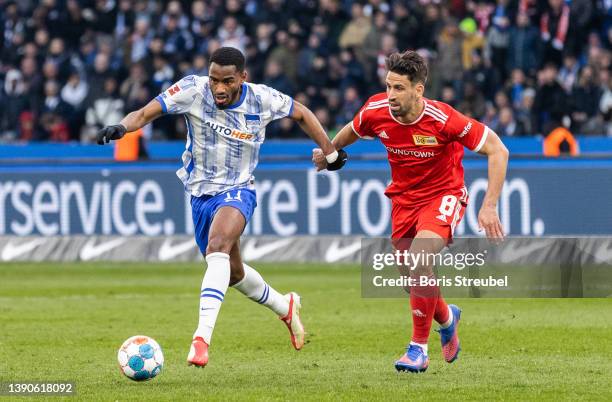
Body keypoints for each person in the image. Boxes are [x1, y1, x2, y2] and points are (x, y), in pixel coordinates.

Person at [96, 47, 347, 367]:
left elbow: (302, 114)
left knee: (217, 247)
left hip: (238, 190)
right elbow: (145, 114)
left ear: (243, 78)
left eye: (227, 81)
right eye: (214, 79)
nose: (218, 88)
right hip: (200, 195)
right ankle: (286, 307)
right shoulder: (191, 90)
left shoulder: (262, 99)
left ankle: (201, 341)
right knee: (233, 273)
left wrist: (330, 153)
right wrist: (122, 126)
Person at [313, 50, 508, 373]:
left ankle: (418, 349)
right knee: (412, 279)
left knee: (419, 261)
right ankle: (447, 318)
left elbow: (497, 149)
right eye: (388, 86)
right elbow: (351, 130)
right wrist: (329, 153)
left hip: (443, 195)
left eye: (399, 88)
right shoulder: (376, 110)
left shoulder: (444, 119)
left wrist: (489, 206)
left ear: (418, 90)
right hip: (404, 200)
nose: (390, 95)